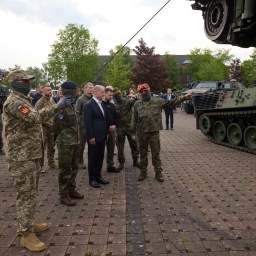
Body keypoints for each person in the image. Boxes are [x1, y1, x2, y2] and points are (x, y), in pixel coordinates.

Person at [3, 70, 72, 252]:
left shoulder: (23, 99)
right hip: (22, 157)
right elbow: (35, 118)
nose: (28, 83)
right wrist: (59, 106)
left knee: (31, 192)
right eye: (25, 81)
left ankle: (29, 224)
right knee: (25, 194)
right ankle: (26, 234)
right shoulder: (15, 102)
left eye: (29, 81)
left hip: (31, 154)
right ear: (16, 83)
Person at [131, 83, 192, 182]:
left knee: (155, 153)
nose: (144, 93)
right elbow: (134, 119)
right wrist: (133, 133)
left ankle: (158, 172)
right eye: (142, 92)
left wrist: (184, 97)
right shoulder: (137, 104)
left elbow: (171, 102)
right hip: (142, 132)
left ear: (149, 91)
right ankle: (143, 171)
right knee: (142, 153)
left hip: (154, 132)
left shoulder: (157, 101)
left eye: (146, 91)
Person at [53, 81, 84, 206]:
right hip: (65, 142)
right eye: (75, 90)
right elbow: (56, 126)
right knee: (65, 169)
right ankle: (64, 194)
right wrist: (58, 140)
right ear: (69, 90)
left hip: (75, 141)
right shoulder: (62, 105)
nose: (77, 91)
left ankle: (72, 189)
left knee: (74, 166)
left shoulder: (72, 104)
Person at [84, 85, 109, 188]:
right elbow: (87, 122)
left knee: (100, 157)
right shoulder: (89, 104)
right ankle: (92, 179)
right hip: (94, 136)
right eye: (102, 92)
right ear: (96, 92)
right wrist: (90, 136)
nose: (104, 94)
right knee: (93, 158)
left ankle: (98, 176)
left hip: (102, 135)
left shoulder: (101, 104)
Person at [113, 88, 140, 171]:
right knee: (120, 147)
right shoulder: (113, 106)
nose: (118, 96)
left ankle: (135, 161)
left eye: (119, 94)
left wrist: (134, 96)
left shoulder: (127, 101)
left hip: (130, 128)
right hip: (120, 128)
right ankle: (121, 163)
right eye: (116, 95)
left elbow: (138, 98)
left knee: (134, 145)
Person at [35, 85, 57, 169]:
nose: (50, 91)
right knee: (42, 147)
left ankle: (51, 163)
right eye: (48, 90)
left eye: (50, 90)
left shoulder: (52, 101)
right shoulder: (39, 102)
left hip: (52, 127)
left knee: (52, 146)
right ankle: (40, 165)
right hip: (43, 127)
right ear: (43, 92)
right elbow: (37, 115)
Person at [75, 82, 94, 169]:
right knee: (81, 145)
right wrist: (78, 125)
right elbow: (77, 113)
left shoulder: (94, 99)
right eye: (89, 87)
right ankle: (80, 161)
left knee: (92, 144)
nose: (91, 89)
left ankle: (92, 161)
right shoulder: (80, 99)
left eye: (92, 87)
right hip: (83, 125)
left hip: (93, 125)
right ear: (85, 89)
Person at [102, 87, 119, 173]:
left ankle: (110, 165)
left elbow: (116, 117)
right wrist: (107, 126)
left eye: (112, 95)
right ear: (104, 94)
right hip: (103, 131)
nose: (111, 97)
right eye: (109, 95)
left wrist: (115, 125)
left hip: (112, 131)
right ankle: (98, 166)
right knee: (100, 149)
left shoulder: (112, 105)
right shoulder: (100, 104)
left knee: (111, 148)